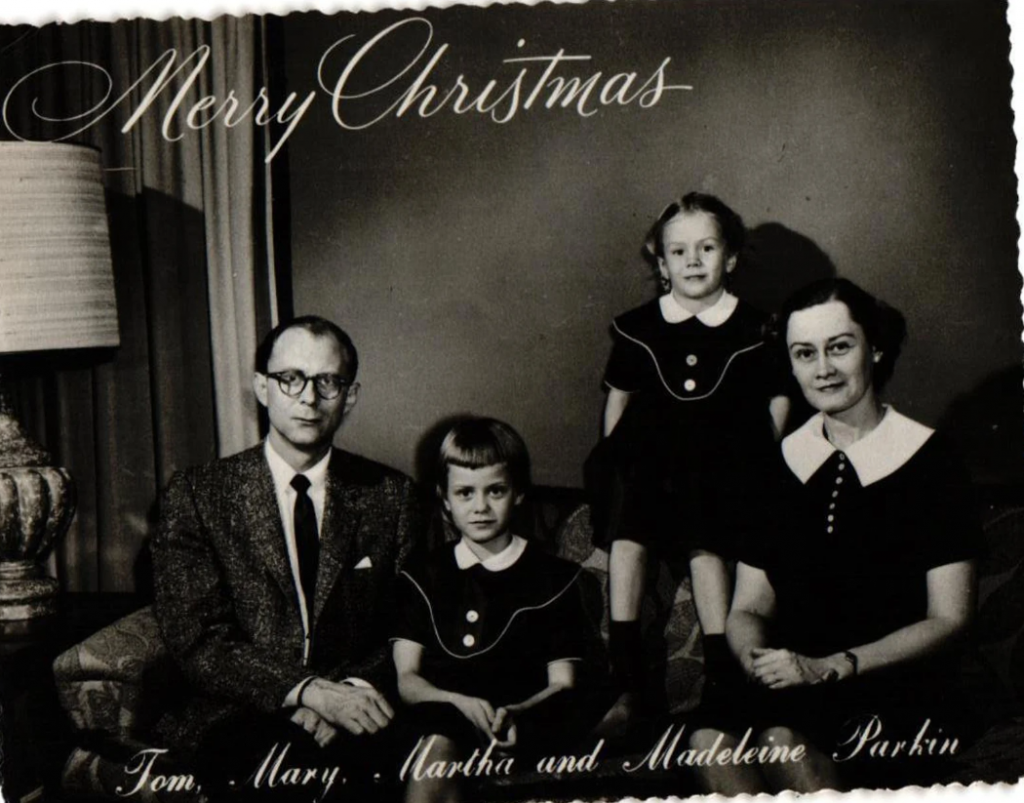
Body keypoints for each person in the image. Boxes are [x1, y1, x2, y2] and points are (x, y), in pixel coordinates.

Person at [689, 278, 979, 794]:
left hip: (888, 682)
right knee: (708, 741)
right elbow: (748, 607)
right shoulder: (780, 463)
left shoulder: (933, 461)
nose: (822, 369)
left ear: (876, 348)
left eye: (839, 347)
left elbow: (949, 618)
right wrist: (760, 665)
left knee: (783, 742)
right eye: (805, 354)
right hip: (793, 680)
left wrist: (834, 666)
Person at [151, 315, 424, 800]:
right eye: (291, 379)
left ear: (351, 396)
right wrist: (309, 691)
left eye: (328, 382)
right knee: (278, 770)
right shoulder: (198, 495)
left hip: (362, 704)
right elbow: (198, 640)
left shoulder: (392, 497)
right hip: (235, 709)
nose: (309, 398)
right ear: (262, 387)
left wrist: (348, 694)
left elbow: (412, 627)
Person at [585, 193, 789, 721]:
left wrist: (766, 448)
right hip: (647, 458)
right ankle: (626, 675)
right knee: (627, 539)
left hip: (718, 463)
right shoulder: (640, 326)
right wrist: (613, 459)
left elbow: (777, 396)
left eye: (706, 248)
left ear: (732, 258)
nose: (693, 261)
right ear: (662, 263)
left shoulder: (754, 327)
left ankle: (722, 671)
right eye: (679, 252)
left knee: (706, 548)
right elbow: (620, 397)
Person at [392, 418, 604, 803]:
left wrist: (517, 714)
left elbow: (562, 682)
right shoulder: (421, 575)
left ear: (519, 493)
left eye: (496, 491)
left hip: (521, 721)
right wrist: (459, 703)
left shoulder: (556, 579)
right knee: (436, 746)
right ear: (444, 498)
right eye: (465, 493)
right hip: (439, 717)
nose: (480, 507)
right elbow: (407, 679)